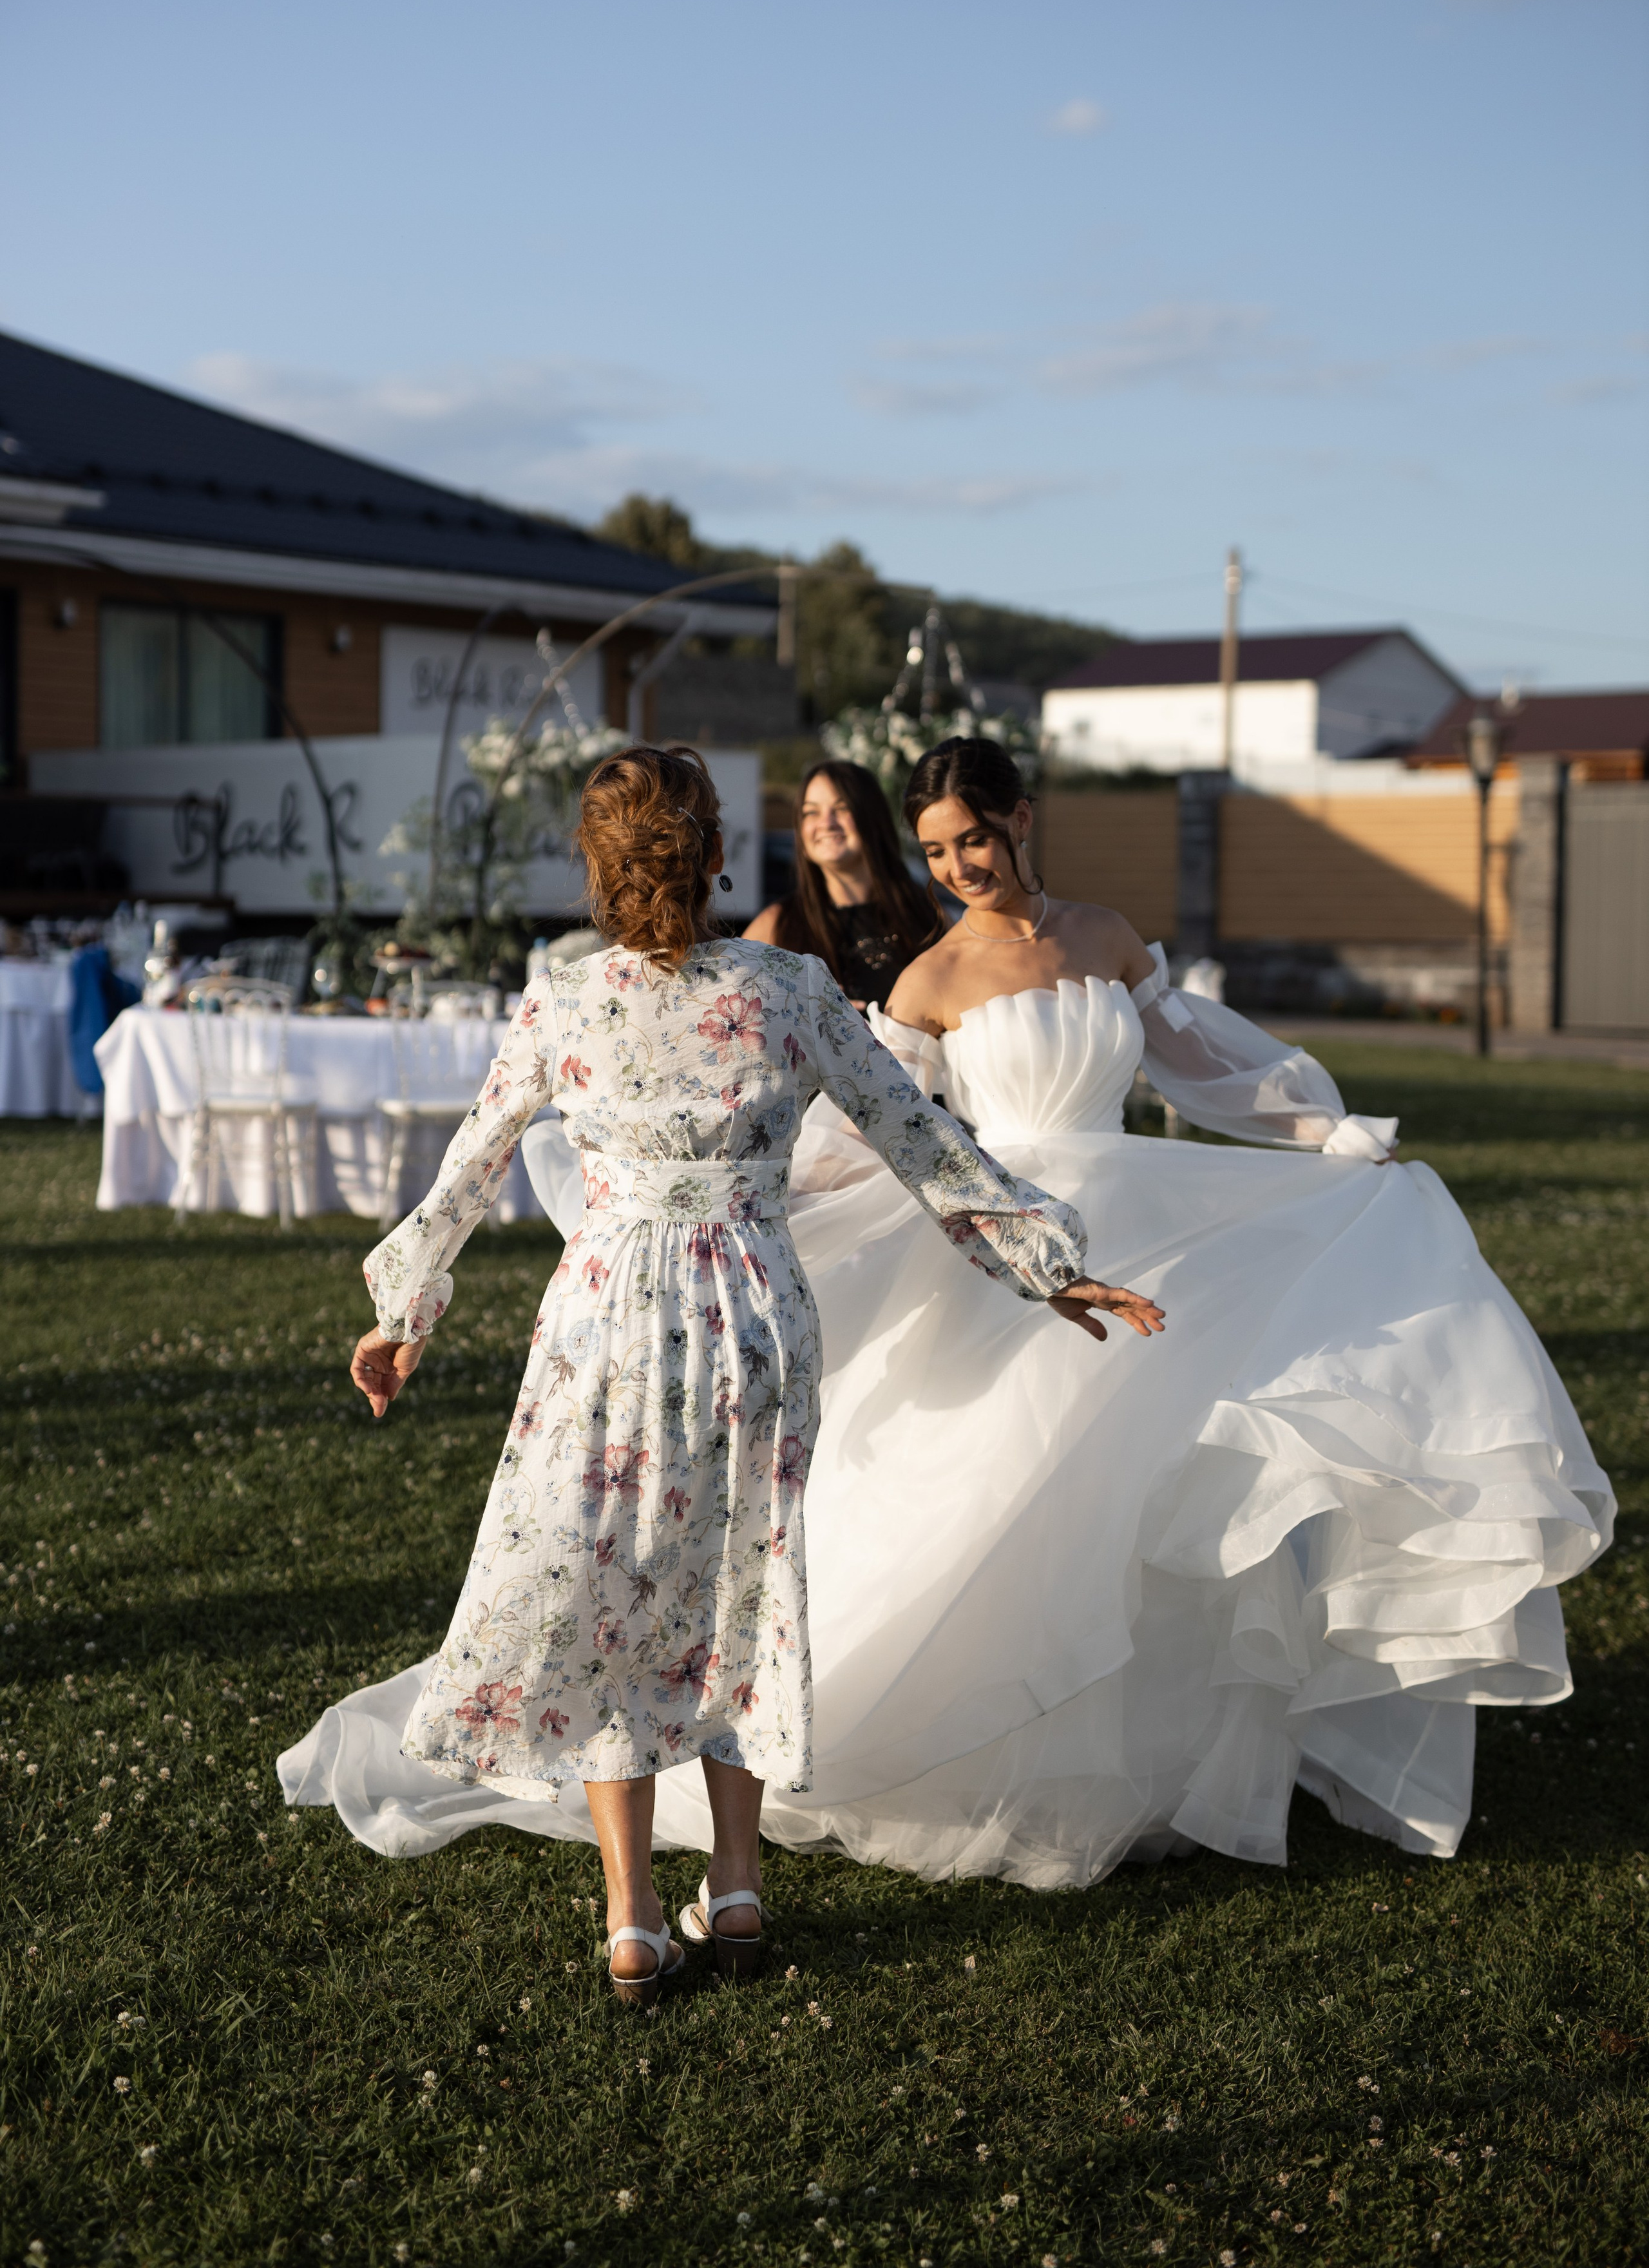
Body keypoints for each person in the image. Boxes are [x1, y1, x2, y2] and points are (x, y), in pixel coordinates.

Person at [281, 744, 1157, 1999]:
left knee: (608, 1589)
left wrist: (403, 1314)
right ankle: (736, 1885)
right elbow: (927, 1147)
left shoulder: (560, 1001)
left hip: (605, 1315)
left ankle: (633, 1915)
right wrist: (1046, 1267)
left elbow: (469, 1168)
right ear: (711, 860)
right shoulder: (793, 990)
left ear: (597, 869)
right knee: (743, 1574)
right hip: (753, 1308)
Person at [737, 735, 1612, 1885]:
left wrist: (1325, 1135)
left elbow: (1201, 1064)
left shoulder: (1102, 935)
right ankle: (1014, 1759)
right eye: (939, 852)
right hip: (1022, 1249)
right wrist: (760, 1182)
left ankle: (1173, 1758)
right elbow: (878, 1132)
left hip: (1145, 1223)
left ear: (1022, 819)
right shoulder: (928, 982)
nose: (957, 868)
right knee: (1024, 1486)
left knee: (1168, 1479)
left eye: (975, 840)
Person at [745, 759, 941, 1010]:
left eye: (842, 808)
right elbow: (741, 1015)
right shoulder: (776, 925)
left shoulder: (928, 914)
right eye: (811, 812)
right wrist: (798, 1011)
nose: (827, 823)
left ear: (873, 818)